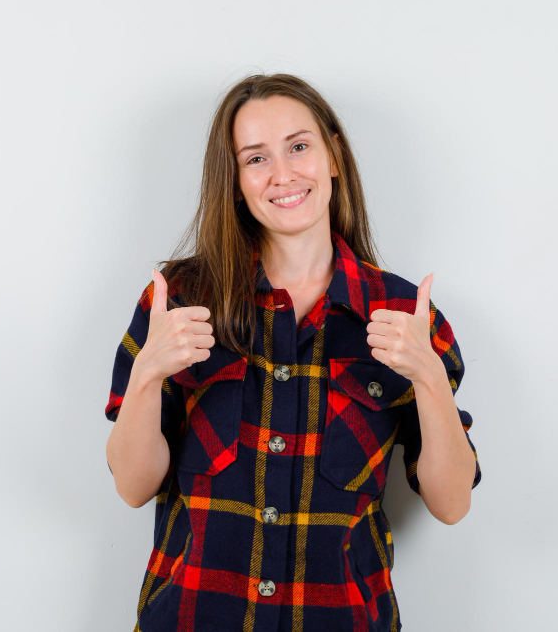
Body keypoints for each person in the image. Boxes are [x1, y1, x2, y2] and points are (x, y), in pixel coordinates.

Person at [103, 73, 481, 632]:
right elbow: (133, 488)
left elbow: (451, 504)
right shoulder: (179, 300)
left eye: (298, 147)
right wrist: (147, 375)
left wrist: (428, 378)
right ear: (235, 182)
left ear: (333, 157)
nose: (282, 174)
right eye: (256, 159)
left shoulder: (404, 314)